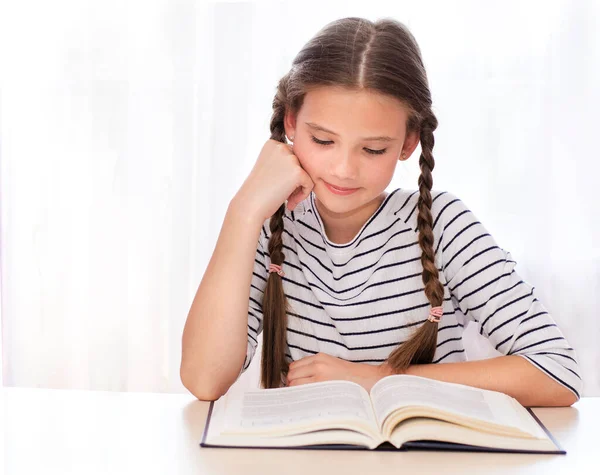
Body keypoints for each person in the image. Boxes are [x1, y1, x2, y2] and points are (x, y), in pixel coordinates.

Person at [181, 17, 582, 406]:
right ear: (291, 122)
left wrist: (378, 379)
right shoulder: (269, 228)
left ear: (408, 143)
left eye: (373, 149)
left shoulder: (442, 224)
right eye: (323, 140)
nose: (344, 169)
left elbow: (556, 372)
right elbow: (203, 380)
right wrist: (244, 211)